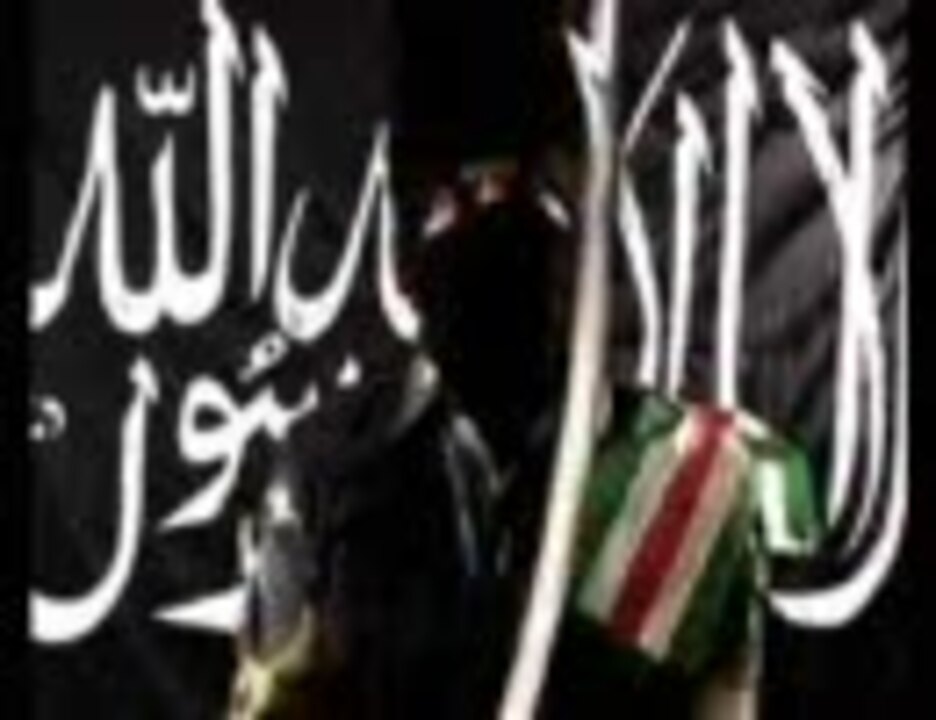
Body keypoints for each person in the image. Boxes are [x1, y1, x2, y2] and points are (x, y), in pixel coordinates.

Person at [226, 3, 822, 718]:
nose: (488, 218)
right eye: (459, 200)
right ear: (408, 268)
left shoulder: (699, 480)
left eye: (517, 198)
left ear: (572, 255)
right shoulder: (329, 474)